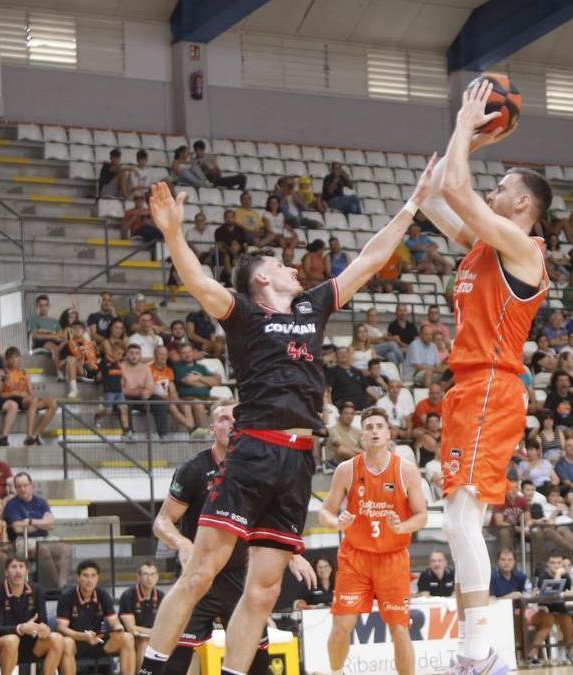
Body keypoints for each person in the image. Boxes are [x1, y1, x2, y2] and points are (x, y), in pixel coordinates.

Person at [138, 169, 433, 675]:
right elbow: (198, 281)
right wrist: (172, 233)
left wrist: (411, 207)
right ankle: (151, 669)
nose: (292, 268)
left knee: (265, 589)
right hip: (254, 450)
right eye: (280, 263)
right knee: (201, 572)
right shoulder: (244, 315)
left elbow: (368, 261)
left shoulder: (310, 307)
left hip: (298, 460)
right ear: (261, 278)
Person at [416, 84, 553, 673]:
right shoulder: (482, 250)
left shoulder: (523, 248)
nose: (493, 192)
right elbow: (436, 197)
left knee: (460, 518)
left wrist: (468, 129)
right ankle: (478, 651)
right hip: (467, 388)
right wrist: (453, 152)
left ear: (523, 205)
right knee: (456, 519)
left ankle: (478, 651)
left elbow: (457, 189)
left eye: (504, 189)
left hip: (494, 385)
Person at [150, 401, 316, 675]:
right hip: (200, 577)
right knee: (173, 663)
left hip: (240, 580)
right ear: (212, 428)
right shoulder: (193, 469)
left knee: (259, 666)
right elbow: (162, 521)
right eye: (224, 418)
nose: (232, 423)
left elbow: (268, 522)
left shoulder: (257, 470)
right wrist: (182, 542)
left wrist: (293, 555)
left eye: (237, 418)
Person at [319, 407, 428, 675]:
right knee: (341, 627)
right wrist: (336, 523)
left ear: (389, 434)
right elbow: (325, 511)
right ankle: (336, 672)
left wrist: (402, 526)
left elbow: (423, 516)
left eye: (379, 426)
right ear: (362, 437)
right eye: (368, 427)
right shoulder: (346, 470)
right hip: (355, 557)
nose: (375, 431)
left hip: (392, 558)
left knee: (400, 629)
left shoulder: (406, 470)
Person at [0, 556, 71, 675]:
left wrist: (43, 628)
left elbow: (43, 621)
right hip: (3, 643)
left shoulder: (37, 590)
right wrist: (21, 628)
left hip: (30, 643)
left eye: (21, 567)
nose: (18, 571)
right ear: (6, 572)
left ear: (27, 571)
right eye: (14, 567)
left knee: (57, 639)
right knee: (12, 640)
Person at [56, 560, 135, 675]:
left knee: (127, 638)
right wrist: (83, 636)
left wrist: (118, 629)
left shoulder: (102, 594)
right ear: (78, 578)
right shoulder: (67, 596)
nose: (90, 580)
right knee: (67, 642)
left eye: (93, 576)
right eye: (85, 576)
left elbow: (114, 621)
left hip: (98, 640)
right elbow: (61, 628)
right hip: (76, 641)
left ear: (97, 578)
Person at [4, 472, 72, 589]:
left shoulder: (41, 502)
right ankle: (58, 586)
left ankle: (63, 583)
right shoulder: (11, 505)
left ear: (31, 485)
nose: (22, 489)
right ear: (15, 488)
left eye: (25, 485)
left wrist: (30, 522)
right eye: (19, 486)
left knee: (66, 548)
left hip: (45, 537)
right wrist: (42, 523)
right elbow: (18, 528)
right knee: (42, 549)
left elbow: (50, 524)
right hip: (22, 540)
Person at [120, 562, 164, 669]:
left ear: (157, 577)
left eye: (152, 574)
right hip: (131, 639)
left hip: (153, 638)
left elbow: (165, 624)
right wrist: (154, 632)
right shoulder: (128, 595)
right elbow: (131, 628)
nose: (149, 578)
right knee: (144, 643)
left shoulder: (161, 596)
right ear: (138, 577)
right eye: (145, 574)